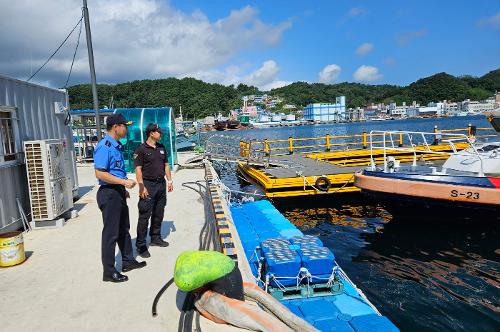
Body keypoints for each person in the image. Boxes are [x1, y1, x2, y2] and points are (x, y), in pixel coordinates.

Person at [94, 114, 147, 283]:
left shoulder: (116, 146)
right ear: (116, 127)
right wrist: (123, 182)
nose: (127, 128)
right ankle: (109, 272)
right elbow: (100, 173)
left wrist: (121, 188)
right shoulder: (105, 146)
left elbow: (114, 170)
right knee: (110, 233)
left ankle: (128, 261)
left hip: (116, 191)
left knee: (124, 228)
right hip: (108, 193)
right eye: (125, 125)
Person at [134, 123, 173, 258]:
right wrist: (141, 186)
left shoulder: (161, 148)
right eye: (158, 132)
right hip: (148, 185)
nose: (160, 134)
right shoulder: (141, 149)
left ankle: (155, 237)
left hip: (161, 184)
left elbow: (166, 165)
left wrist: (169, 181)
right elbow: (138, 169)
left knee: (159, 212)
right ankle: (141, 245)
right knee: (145, 215)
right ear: (151, 133)